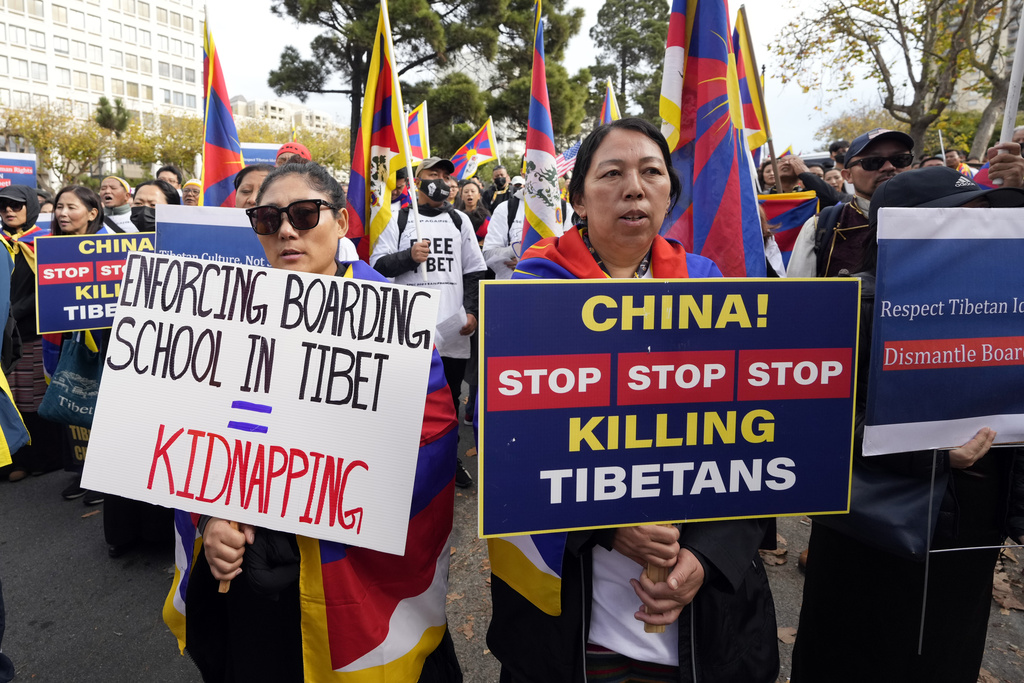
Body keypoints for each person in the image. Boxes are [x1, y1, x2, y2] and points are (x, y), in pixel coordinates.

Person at [487, 118, 779, 683]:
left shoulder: (716, 291)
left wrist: (708, 556)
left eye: (651, 172)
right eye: (612, 173)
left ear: (670, 190)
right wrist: (604, 526)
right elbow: (509, 462)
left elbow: (759, 446)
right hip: (569, 620)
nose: (634, 187)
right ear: (577, 197)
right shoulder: (527, 300)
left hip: (701, 621)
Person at [170, 162, 463, 682]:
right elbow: (194, 440)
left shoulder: (391, 319)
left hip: (350, 569)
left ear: (343, 223)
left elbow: (430, 446)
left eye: (305, 214)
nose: (286, 229)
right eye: (267, 218)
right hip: (255, 579)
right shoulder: (225, 314)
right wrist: (210, 520)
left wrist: (310, 509)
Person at [790, 166, 1024, 683]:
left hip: (969, 533)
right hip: (875, 528)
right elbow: (808, 425)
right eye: (968, 217)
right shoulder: (851, 306)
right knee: (857, 653)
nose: (985, 230)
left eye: (990, 216)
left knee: (943, 655)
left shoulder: (1007, 305)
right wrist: (933, 455)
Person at [370, 157, 485, 488]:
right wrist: (409, 257)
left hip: (452, 334)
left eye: (446, 175)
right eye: (433, 174)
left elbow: (474, 271)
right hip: (410, 332)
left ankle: (449, 461)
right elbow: (377, 266)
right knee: (409, 405)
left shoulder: (459, 220)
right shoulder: (400, 219)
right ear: (417, 180)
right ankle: (405, 467)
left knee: (446, 406)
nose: (441, 180)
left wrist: (472, 311)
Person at [0, 185, 69, 481]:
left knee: (33, 402)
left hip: (31, 336)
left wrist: (11, 311)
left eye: (16, 205)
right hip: (3, 337)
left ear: (30, 207)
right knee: (9, 399)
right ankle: (14, 460)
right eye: (3, 206)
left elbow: (47, 289)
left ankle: (42, 458)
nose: (9, 211)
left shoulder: (43, 244)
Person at [786, 128, 914, 278]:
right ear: (848, 176)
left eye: (900, 159)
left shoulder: (941, 218)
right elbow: (800, 295)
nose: (889, 167)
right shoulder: (820, 226)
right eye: (873, 162)